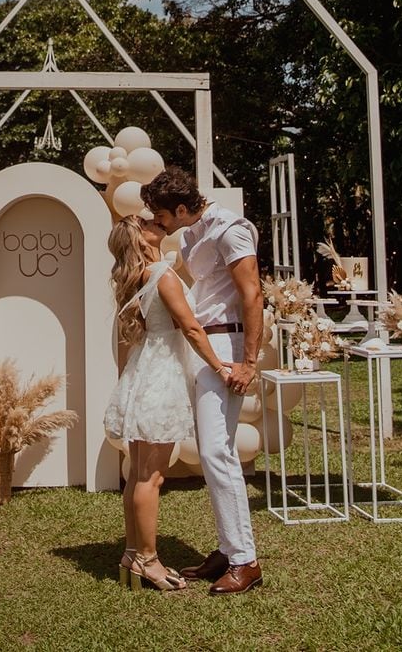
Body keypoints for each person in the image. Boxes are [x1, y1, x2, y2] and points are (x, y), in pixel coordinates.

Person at [142, 165, 264, 596]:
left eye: (161, 218)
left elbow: (252, 294)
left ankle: (246, 562)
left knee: (215, 453)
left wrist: (248, 361)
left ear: (178, 208)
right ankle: (229, 551)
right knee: (217, 451)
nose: (159, 225)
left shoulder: (230, 229)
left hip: (229, 350)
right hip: (204, 350)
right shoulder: (192, 233)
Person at [104, 210, 239, 593]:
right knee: (152, 475)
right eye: (146, 222)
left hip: (144, 371)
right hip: (161, 377)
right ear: (141, 238)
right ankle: (148, 560)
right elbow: (192, 328)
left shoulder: (140, 276)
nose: (155, 220)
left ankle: (132, 553)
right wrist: (221, 367)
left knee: (139, 472)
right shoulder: (161, 276)